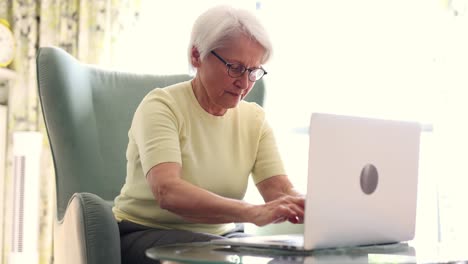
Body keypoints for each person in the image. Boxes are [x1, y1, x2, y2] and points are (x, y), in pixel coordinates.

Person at [112, 5, 305, 264]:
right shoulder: (161, 106)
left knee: (297, 259)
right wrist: (252, 212)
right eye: (235, 68)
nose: (245, 83)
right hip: (148, 233)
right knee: (220, 256)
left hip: (224, 239)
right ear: (196, 56)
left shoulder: (254, 119)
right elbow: (167, 191)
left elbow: (279, 191)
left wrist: (310, 205)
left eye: (253, 71)